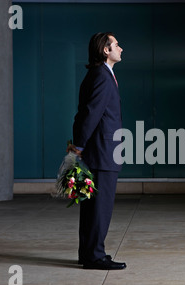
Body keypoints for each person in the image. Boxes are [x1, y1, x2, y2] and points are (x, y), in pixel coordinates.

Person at [67, 32, 126, 270]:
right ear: (105, 50)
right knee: (100, 207)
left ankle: (88, 253)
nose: (121, 48)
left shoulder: (97, 74)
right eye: (116, 44)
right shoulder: (102, 75)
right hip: (101, 152)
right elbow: (91, 113)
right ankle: (95, 256)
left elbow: (85, 113)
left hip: (97, 150)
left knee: (91, 206)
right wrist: (79, 146)